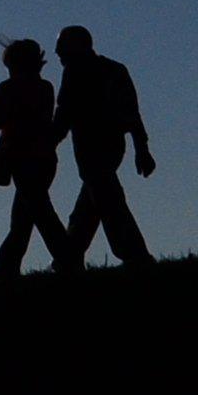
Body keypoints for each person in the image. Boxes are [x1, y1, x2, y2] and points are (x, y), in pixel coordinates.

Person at [0, 38, 68, 276]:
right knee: (25, 216)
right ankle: (8, 264)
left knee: (38, 212)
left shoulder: (11, 89)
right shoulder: (45, 88)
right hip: (45, 157)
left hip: (23, 157)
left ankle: (67, 258)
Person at [51, 23, 157, 271]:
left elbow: (63, 115)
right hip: (112, 146)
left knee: (108, 200)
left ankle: (135, 254)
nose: (58, 54)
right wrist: (141, 148)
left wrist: (47, 143)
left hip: (91, 146)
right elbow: (132, 113)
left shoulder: (76, 72)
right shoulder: (115, 70)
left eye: (62, 48)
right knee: (91, 202)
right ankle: (68, 256)